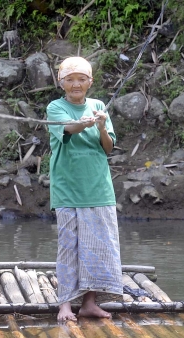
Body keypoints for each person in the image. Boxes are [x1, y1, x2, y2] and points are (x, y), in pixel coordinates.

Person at [46, 56, 123, 322]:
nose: (76, 84)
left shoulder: (99, 106)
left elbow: (108, 147)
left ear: (90, 82)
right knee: (69, 247)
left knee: (97, 246)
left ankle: (89, 302)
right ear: (61, 82)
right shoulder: (55, 107)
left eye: (81, 79)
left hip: (99, 188)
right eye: (70, 79)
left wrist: (101, 126)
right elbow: (69, 128)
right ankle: (65, 305)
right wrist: (86, 123)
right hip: (68, 189)